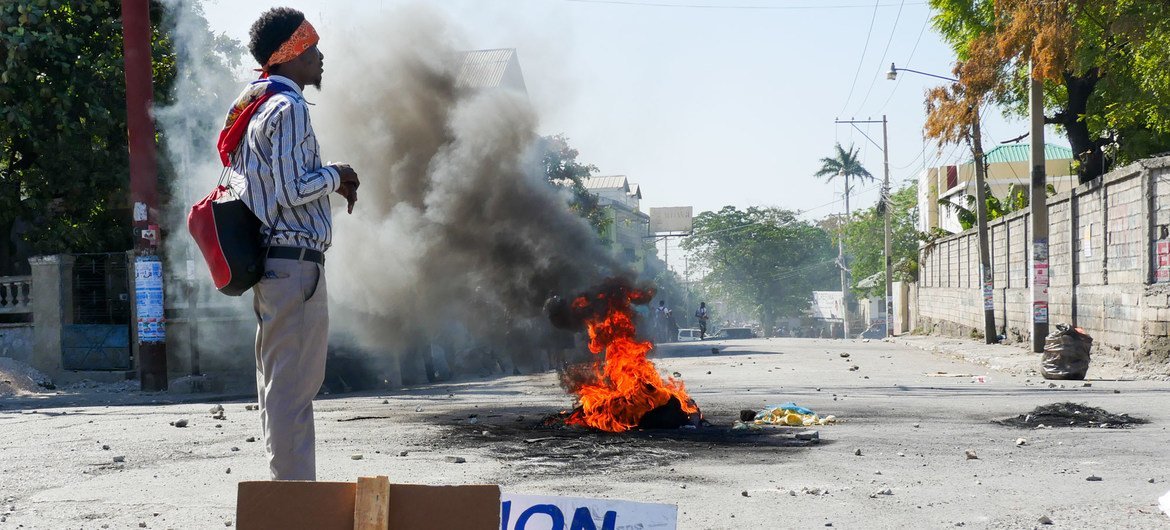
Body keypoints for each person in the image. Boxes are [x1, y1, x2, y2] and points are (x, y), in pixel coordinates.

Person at [223, 7, 360, 481]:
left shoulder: (255, 104)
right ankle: (295, 499)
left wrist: (328, 179)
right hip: (294, 266)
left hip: (278, 267)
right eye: (311, 49)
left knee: (281, 386)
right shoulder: (289, 106)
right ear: (289, 55)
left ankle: (292, 492)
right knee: (291, 391)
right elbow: (292, 189)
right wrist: (337, 174)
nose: (320, 57)